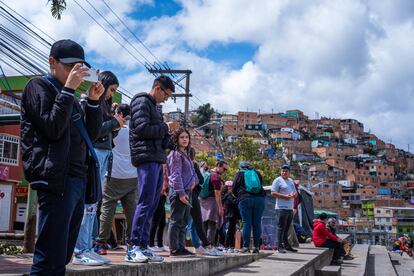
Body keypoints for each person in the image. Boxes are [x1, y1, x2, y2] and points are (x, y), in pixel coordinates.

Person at [21, 39, 104, 275]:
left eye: (79, 68)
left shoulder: (72, 99)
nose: (74, 73)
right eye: (69, 67)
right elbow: (52, 127)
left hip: (78, 178)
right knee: (50, 255)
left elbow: (91, 135)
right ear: (52, 62)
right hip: (56, 177)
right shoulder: (38, 87)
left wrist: (94, 103)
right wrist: (68, 89)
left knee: (64, 253)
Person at [73, 71, 122, 265]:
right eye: (111, 89)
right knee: (88, 204)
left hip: (103, 154)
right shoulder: (88, 104)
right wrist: (112, 124)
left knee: (93, 205)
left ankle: (87, 246)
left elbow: (105, 135)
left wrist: (114, 127)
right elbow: (93, 132)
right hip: (93, 154)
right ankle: (80, 249)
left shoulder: (104, 106)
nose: (111, 94)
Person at [127, 75, 174, 263]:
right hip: (145, 157)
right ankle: (133, 246)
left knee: (153, 204)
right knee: (145, 202)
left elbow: (158, 136)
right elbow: (142, 129)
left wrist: (168, 135)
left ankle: (143, 246)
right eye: (167, 94)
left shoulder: (155, 107)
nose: (166, 99)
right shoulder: (141, 101)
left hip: (155, 157)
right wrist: (164, 126)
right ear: (157, 88)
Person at [94, 104, 138, 255]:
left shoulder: (114, 128)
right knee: (132, 212)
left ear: (118, 113)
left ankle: (101, 243)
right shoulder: (135, 130)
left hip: (113, 175)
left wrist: (112, 114)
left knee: (107, 210)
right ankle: (132, 244)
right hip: (133, 176)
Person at [166, 128, 197, 257]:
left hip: (187, 191)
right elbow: (175, 175)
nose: (185, 139)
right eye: (182, 137)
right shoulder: (175, 154)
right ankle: (174, 249)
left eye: (187, 137)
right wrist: (181, 193)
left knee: (183, 221)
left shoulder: (186, 154)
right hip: (179, 191)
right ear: (176, 140)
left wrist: (194, 179)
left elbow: (192, 172)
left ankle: (181, 246)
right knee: (175, 221)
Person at [187, 150, 221, 256]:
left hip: (196, 196)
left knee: (194, 223)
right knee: (191, 223)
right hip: (191, 194)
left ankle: (201, 246)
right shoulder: (191, 164)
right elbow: (196, 180)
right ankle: (199, 246)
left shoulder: (196, 165)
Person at [232, 162, 265, 253]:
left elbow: (234, 188)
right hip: (260, 199)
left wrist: (239, 196)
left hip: (245, 199)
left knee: (246, 222)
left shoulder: (240, 173)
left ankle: (246, 247)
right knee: (257, 223)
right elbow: (260, 186)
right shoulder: (257, 173)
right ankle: (256, 247)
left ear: (241, 167)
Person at [200, 161, 229, 246]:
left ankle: (203, 245)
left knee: (204, 225)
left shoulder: (207, 173)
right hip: (212, 202)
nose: (225, 171)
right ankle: (209, 246)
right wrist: (220, 207)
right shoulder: (216, 177)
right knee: (212, 224)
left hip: (203, 202)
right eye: (224, 169)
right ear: (218, 166)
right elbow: (217, 194)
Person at [271, 164, 298, 253]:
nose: (284, 172)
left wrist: (294, 195)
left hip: (289, 208)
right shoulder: (277, 180)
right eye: (283, 171)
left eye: (286, 171)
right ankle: (279, 246)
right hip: (281, 208)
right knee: (280, 228)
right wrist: (284, 197)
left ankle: (287, 245)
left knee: (287, 228)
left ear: (289, 172)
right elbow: (273, 193)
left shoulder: (290, 181)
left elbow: (295, 193)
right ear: (281, 171)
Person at [223, 180, 240, 253]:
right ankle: (227, 247)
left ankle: (231, 246)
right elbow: (233, 203)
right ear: (226, 188)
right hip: (230, 215)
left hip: (233, 215)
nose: (231, 188)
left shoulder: (231, 195)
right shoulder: (228, 196)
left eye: (231, 187)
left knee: (232, 231)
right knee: (229, 231)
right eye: (229, 187)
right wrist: (238, 199)